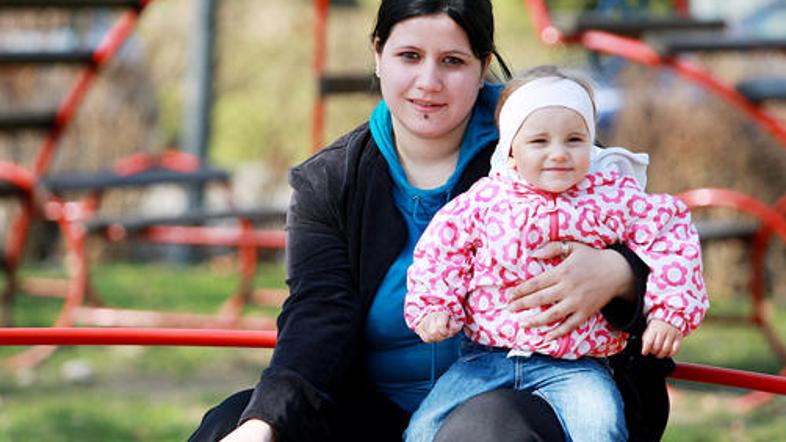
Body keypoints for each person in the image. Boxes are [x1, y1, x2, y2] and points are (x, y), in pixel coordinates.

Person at [189, 2, 664, 441]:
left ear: (482, 66)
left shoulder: (544, 138)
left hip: (542, 393)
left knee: (484, 427)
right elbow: (318, 318)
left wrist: (622, 275)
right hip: (380, 409)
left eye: (453, 62)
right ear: (379, 55)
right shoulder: (329, 181)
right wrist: (263, 421)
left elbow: (658, 241)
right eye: (409, 56)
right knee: (233, 423)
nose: (428, 82)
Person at [403, 65, 709, 442]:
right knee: (422, 429)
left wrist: (669, 312)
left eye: (575, 139)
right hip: (486, 357)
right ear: (511, 150)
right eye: (540, 141)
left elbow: (672, 235)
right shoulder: (486, 201)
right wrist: (435, 306)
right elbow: (441, 251)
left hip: (575, 364)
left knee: (601, 427)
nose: (559, 154)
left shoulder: (611, 197)